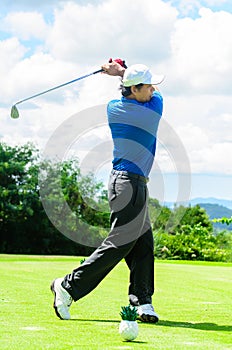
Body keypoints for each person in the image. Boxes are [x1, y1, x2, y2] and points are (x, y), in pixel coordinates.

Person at [51, 60, 164, 323]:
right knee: (121, 242)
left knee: (143, 242)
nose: (153, 89)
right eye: (148, 86)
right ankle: (68, 286)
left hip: (130, 183)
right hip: (127, 184)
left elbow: (133, 92)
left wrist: (120, 74)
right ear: (135, 89)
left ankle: (142, 301)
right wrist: (121, 71)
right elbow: (156, 97)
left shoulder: (114, 108)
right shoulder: (152, 110)